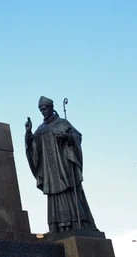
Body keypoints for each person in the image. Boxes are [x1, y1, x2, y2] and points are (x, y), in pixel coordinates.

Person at [25, 96, 98, 234]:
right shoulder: (40, 129)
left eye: (45, 109)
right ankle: (57, 227)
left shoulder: (62, 123)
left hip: (64, 166)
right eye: (41, 110)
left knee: (70, 191)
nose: (43, 112)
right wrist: (28, 134)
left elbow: (77, 136)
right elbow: (33, 147)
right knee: (54, 195)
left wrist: (68, 137)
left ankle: (79, 223)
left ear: (51, 108)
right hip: (50, 170)